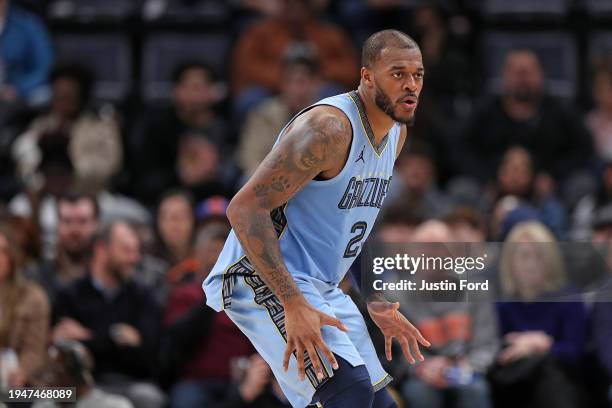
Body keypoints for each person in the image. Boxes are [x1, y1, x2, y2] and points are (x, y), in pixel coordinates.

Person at [203, 29, 430, 408]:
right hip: (262, 276)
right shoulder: (329, 129)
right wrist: (292, 304)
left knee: (379, 403)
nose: (410, 85)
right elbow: (243, 209)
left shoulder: (396, 135)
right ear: (367, 76)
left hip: (319, 284)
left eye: (418, 74)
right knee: (348, 393)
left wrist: (374, 297)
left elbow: (353, 224)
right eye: (397, 73)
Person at [53, 222, 165, 408]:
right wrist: (116, 337)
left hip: (130, 383)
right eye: (127, 251)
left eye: (136, 251)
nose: (135, 259)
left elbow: (147, 356)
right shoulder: (70, 295)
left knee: (149, 398)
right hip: (81, 387)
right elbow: (67, 351)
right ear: (102, 250)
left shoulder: (144, 297)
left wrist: (88, 337)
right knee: (26, 397)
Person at [460, 49, 592, 185]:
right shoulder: (485, 111)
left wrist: (554, 176)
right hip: (491, 185)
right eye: (517, 73)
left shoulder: (561, 111)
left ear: (541, 75)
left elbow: (584, 148)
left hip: (551, 188)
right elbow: (461, 147)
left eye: (528, 73)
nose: (523, 80)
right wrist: (485, 177)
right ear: (504, 75)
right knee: (462, 188)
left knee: (581, 184)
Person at [492, 222, 587, 408]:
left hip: (561, 384)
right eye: (524, 256)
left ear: (550, 260)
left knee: (549, 374)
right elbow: (494, 351)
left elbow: (576, 352)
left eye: (539, 257)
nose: (531, 264)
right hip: (513, 383)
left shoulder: (569, 298)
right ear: (510, 261)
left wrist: (543, 344)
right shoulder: (502, 304)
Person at [163, 223, 255, 407]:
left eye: (225, 253)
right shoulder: (185, 294)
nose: (219, 259)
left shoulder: (246, 298)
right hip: (197, 382)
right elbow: (175, 341)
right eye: (213, 251)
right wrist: (211, 297)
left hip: (239, 381)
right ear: (198, 255)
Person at [236, 44, 321, 178]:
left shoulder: (327, 114)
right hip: (269, 180)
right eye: (291, 81)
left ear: (316, 83)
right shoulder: (264, 114)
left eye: (302, 81)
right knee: (247, 178)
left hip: (312, 182)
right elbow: (250, 158)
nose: (297, 89)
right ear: (282, 84)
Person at [25, 191, 99, 309]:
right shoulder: (35, 277)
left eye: (82, 221)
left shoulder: (112, 278)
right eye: (67, 221)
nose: (74, 230)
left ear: (96, 224)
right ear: (57, 224)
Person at [0, 226, 49, 387]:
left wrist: (22, 372)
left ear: (11, 256)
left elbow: (34, 351)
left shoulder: (32, 298)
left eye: (2, 251)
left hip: (18, 386)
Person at [31, 340, 133, 408]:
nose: (48, 380)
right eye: (47, 372)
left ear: (77, 376)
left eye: (54, 372)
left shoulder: (114, 406)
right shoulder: (43, 405)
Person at [0, 0, 53, 104]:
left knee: (43, 94)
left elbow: (45, 67)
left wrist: (18, 89)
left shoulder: (28, 24)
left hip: (18, 89)